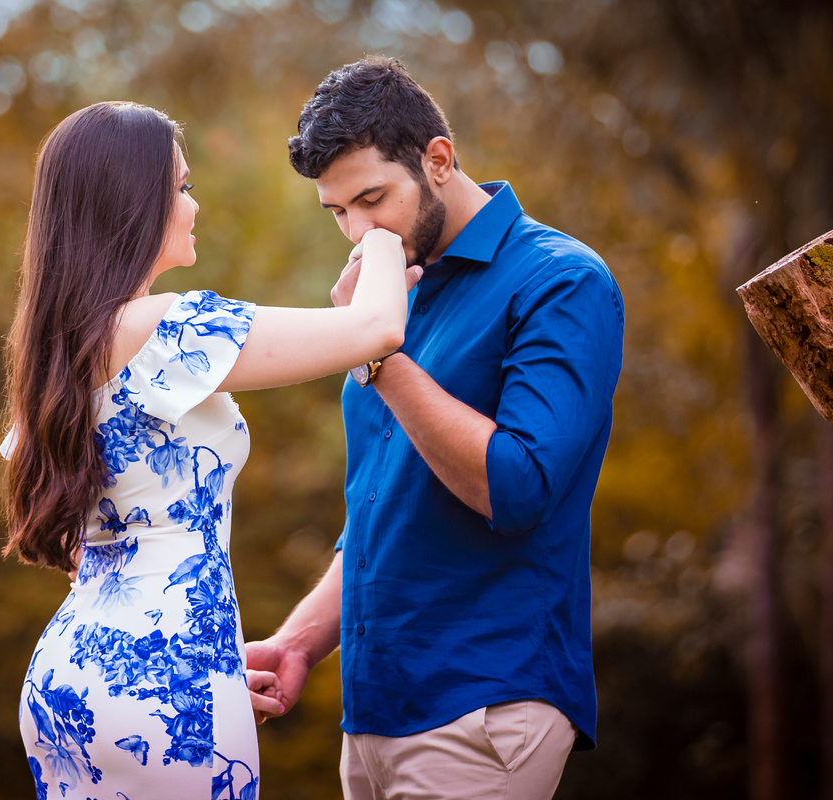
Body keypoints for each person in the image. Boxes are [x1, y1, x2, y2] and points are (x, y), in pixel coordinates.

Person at [0, 101, 413, 800]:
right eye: (183, 187)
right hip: (162, 677)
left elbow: (84, 548)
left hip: (71, 673)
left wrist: (204, 668)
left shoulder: (54, 354)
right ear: (138, 203)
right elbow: (376, 328)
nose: (194, 204)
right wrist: (378, 231)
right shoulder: (167, 324)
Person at [245, 57, 625, 800]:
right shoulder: (393, 296)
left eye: (372, 199)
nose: (356, 230)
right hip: (375, 715)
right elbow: (384, 513)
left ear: (439, 160)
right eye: (337, 212)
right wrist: (298, 642)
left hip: (484, 705)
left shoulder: (562, 279)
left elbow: (516, 488)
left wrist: (379, 353)